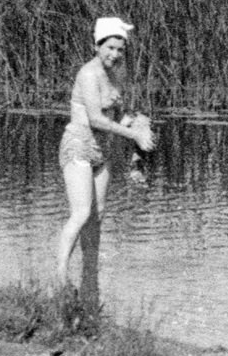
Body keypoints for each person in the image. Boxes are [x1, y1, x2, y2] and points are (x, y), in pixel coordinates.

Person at [55, 15, 154, 299]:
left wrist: (136, 123)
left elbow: (117, 114)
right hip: (79, 146)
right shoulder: (88, 74)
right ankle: (60, 276)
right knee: (82, 212)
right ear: (97, 45)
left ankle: (90, 274)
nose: (115, 54)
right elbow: (96, 119)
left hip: (103, 150)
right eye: (110, 47)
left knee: (98, 215)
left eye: (120, 49)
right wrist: (133, 136)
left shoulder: (119, 72)